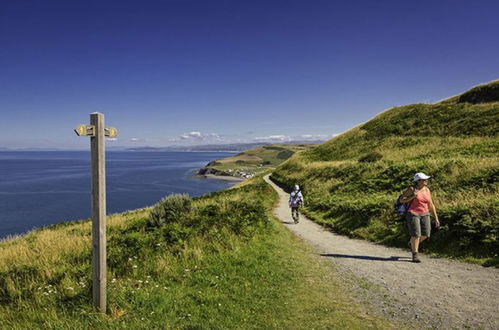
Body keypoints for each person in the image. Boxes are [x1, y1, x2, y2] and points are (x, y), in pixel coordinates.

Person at [399, 172, 440, 263]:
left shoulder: (427, 190)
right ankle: (415, 255)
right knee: (416, 235)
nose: (426, 181)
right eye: (424, 179)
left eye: (426, 179)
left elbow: (431, 204)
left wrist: (436, 218)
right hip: (413, 213)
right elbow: (401, 200)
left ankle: (411, 243)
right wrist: (412, 196)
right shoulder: (411, 189)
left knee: (426, 234)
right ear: (418, 181)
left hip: (425, 213)